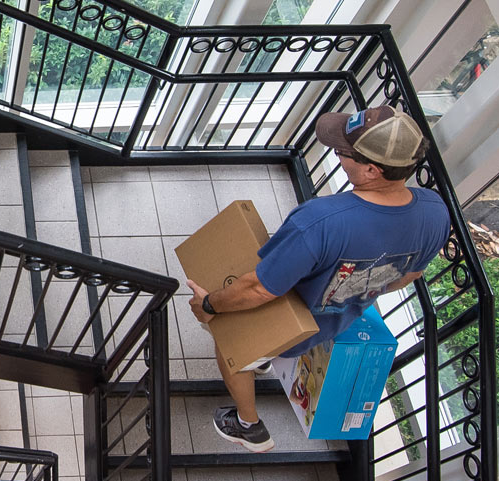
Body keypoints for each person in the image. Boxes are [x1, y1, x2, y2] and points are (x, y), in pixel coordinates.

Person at [187, 107, 451, 452]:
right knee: (265, 349)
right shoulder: (435, 212)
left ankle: (248, 425)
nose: (337, 156)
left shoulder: (320, 221)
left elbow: (260, 288)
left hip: (287, 320)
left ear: (372, 170)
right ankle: (264, 359)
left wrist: (209, 305)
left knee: (228, 344)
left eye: (342, 152)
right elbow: (408, 276)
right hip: (335, 320)